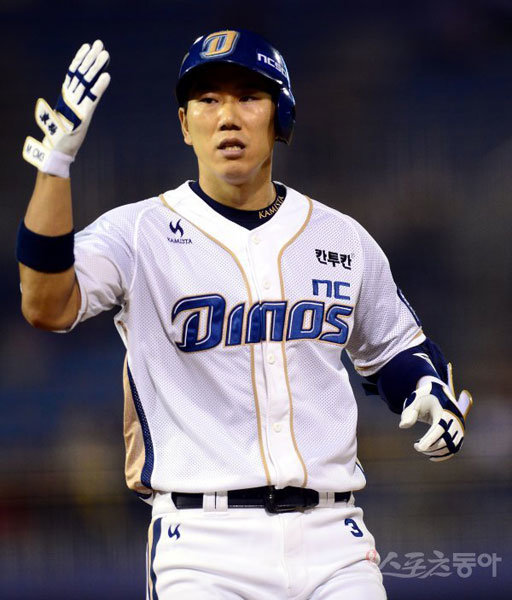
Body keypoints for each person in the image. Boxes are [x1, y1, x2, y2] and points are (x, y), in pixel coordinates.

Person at [17, 30, 473, 600]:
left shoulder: (340, 236)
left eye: (248, 97)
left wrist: (424, 388)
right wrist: (55, 165)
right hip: (203, 545)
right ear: (185, 124)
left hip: (334, 537)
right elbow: (45, 304)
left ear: (281, 115)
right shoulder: (137, 233)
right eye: (208, 99)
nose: (227, 116)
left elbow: (395, 349)